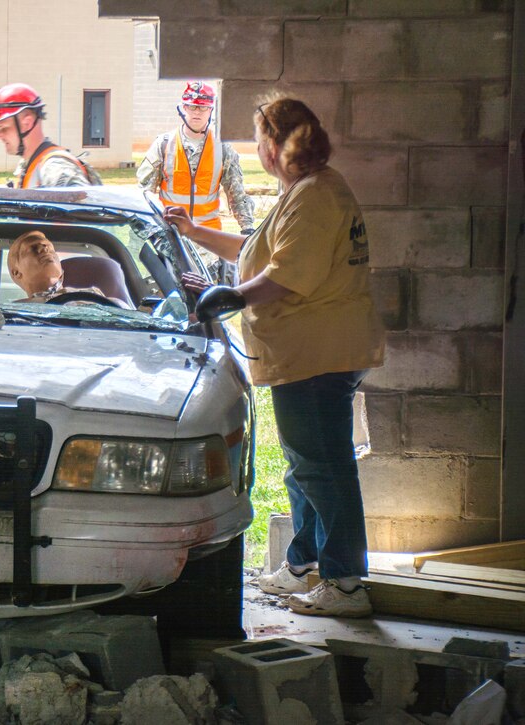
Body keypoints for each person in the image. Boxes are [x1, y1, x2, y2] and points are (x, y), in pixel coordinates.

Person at [164, 96, 385, 618]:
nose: (258, 147)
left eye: (263, 137)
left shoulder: (315, 197)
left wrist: (234, 297)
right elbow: (257, 249)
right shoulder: (309, 191)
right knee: (306, 466)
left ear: (280, 145)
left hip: (317, 355)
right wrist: (196, 232)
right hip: (313, 352)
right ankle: (305, 563)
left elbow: (287, 276)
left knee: (324, 467)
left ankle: (346, 582)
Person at [139, 82, 255, 285]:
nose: (197, 113)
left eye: (203, 107)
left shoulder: (223, 148)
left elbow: (236, 192)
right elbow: (144, 193)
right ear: (183, 108)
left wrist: (247, 228)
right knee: (170, 292)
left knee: (205, 294)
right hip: (170, 235)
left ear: (211, 110)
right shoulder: (164, 144)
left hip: (208, 240)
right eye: (192, 106)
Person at [0, 83, 102, 188]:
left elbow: (81, 212)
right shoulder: (30, 165)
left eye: (3, 128)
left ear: (27, 123)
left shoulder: (55, 168)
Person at [5, 230, 130, 308]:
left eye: (48, 246)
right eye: (33, 248)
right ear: (16, 273)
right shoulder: (14, 312)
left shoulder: (103, 300)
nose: (44, 249)